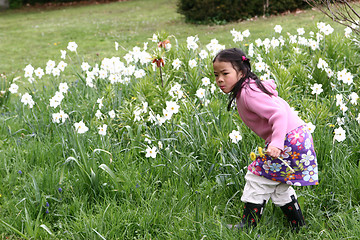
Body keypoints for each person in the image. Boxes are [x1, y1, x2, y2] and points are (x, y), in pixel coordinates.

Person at [212, 48, 318, 231]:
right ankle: (298, 226)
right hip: (297, 137)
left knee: (257, 177)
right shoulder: (249, 87)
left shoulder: (248, 93)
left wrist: (277, 142)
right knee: (278, 183)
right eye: (216, 75)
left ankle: (248, 226)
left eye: (225, 73)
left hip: (288, 140)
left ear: (241, 71)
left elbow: (278, 114)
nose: (220, 79)